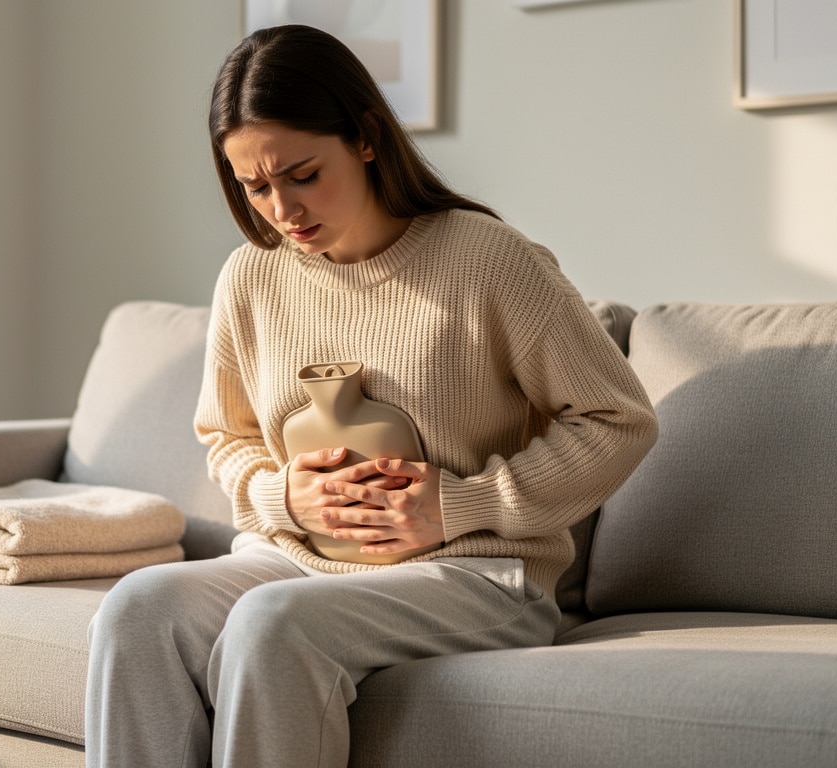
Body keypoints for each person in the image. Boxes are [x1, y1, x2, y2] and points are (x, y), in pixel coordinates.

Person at [85, 24, 658, 768]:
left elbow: (619, 421)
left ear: (364, 138)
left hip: (475, 575)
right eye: (254, 187)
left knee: (271, 623)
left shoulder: (487, 260)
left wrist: (460, 504)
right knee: (138, 608)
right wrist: (284, 498)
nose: (282, 209)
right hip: (295, 559)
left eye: (301, 173)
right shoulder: (250, 279)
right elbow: (227, 438)